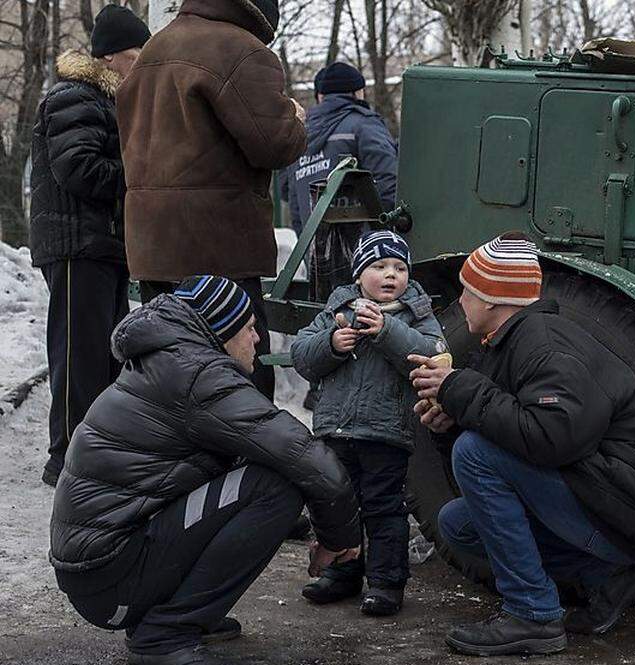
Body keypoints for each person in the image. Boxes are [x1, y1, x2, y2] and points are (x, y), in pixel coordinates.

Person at [49, 275, 360, 665]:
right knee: (275, 487)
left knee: (259, 465)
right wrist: (341, 538)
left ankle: (176, 616)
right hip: (110, 576)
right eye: (250, 328)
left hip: (100, 571)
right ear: (223, 330)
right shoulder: (197, 375)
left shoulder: (171, 363)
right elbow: (305, 455)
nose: (258, 339)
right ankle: (164, 637)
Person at [409, 234, 635, 656]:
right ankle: (610, 577)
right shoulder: (512, 344)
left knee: (474, 454)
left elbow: (552, 439)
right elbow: (510, 437)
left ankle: (532, 615)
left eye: (468, 291)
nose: (460, 301)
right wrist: (450, 422)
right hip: (610, 503)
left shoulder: (546, 344)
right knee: (457, 524)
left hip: (629, 506)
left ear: (493, 299)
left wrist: (460, 389)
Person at [116, 0, 307, 400]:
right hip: (218, 248)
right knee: (239, 376)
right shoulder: (242, 50)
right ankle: (243, 462)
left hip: (154, 247)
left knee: (169, 373)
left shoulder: (153, 49)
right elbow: (273, 145)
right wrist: (295, 118)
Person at [291, 230, 443, 616]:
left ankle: (386, 583)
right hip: (335, 430)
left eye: (399, 267)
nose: (391, 274)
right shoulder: (337, 308)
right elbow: (302, 356)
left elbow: (433, 355)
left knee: (384, 508)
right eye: (379, 266)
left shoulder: (416, 314)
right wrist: (331, 343)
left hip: (385, 432)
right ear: (359, 275)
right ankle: (342, 574)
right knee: (337, 506)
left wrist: (387, 330)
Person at [28, 5, 149, 488]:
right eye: (137, 56)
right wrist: (138, 181)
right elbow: (78, 169)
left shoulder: (100, 100)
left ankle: (88, 450)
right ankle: (66, 457)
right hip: (77, 244)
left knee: (99, 354)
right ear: (115, 57)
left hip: (98, 245)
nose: (141, 67)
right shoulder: (74, 96)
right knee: (79, 354)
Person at [283, 62, 397, 234]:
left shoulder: (298, 134)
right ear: (358, 92)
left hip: (315, 251)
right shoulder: (363, 125)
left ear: (321, 96)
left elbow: (293, 201)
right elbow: (389, 184)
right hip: (368, 252)